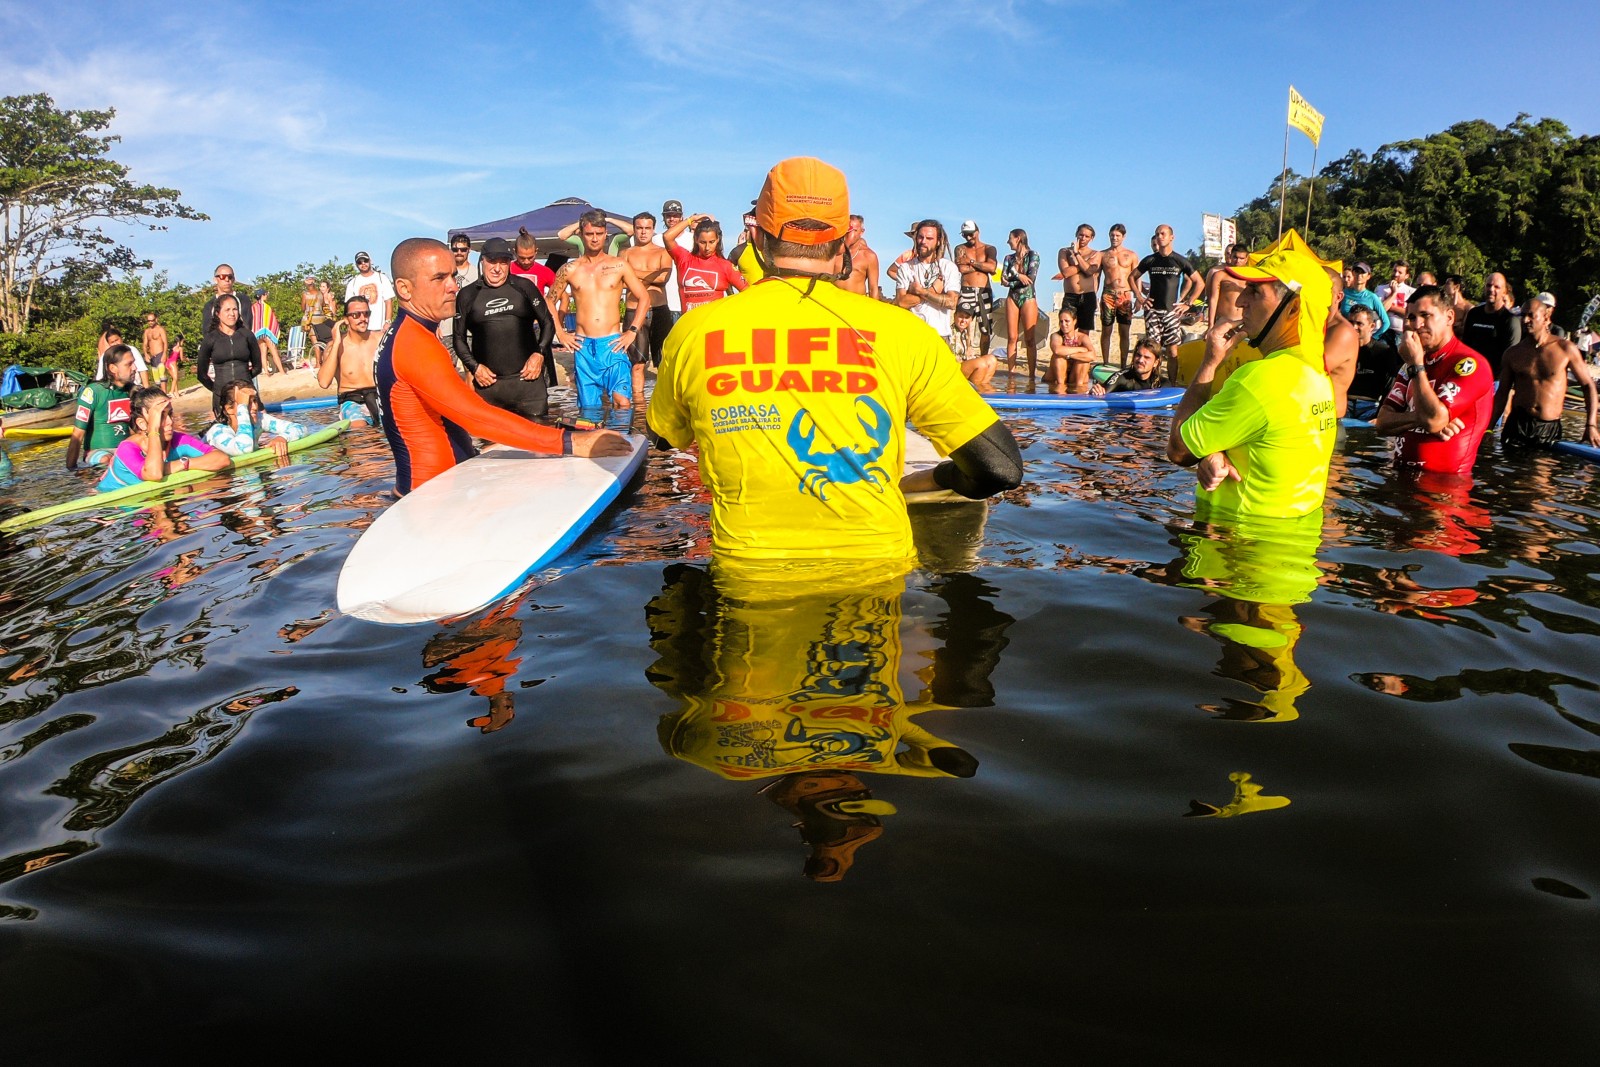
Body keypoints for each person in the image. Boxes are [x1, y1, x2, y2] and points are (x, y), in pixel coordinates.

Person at [647, 156, 1023, 570]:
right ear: (845, 240)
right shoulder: (902, 331)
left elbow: (664, 438)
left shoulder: (694, 330)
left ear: (757, 239)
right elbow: (1000, 468)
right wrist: (930, 479)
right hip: (877, 578)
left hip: (749, 580)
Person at [375, 237, 630, 496]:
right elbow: (474, 417)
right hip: (429, 498)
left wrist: (485, 450)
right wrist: (571, 442)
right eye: (439, 278)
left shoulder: (411, 334)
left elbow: (444, 416)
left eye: (452, 275)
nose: (452, 286)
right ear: (404, 289)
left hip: (442, 484)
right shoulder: (414, 344)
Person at [1166, 243, 1337, 520]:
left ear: (1293, 310)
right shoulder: (1319, 377)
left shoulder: (1260, 379)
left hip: (1234, 547)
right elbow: (1271, 443)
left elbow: (1179, 448)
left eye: (1255, 291)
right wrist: (1215, 448)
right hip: (1293, 547)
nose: (1239, 300)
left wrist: (1210, 362)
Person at [1374, 285, 1495, 475]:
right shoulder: (1412, 365)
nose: (1417, 324)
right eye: (1412, 317)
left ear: (1449, 317)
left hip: (1445, 489)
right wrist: (1418, 418)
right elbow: (1382, 423)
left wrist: (1416, 366)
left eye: (1425, 315)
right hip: (1400, 481)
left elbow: (1433, 420)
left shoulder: (1469, 364)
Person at [547, 211, 652, 414]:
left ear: (606, 234)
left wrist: (631, 331)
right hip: (584, 346)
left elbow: (644, 298)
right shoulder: (570, 269)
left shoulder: (618, 265)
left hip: (612, 343)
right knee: (589, 409)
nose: (595, 238)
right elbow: (549, 301)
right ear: (581, 235)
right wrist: (559, 333)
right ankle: (595, 442)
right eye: (589, 234)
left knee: (623, 403)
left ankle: (623, 443)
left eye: (599, 233)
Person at [451, 237, 556, 419]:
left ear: (509, 263)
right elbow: (458, 338)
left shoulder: (524, 287)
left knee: (538, 444)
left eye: (503, 262)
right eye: (492, 262)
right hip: (489, 388)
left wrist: (539, 353)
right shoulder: (467, 295)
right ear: (482, 261)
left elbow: (548, 322)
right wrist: (474, 368)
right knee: (489, 447)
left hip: (528, 387)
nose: (497, 268)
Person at [1491, 292, 1600, 450]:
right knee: (1509, 473)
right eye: (1523, 315)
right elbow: (1502, 394)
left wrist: (1590, 425)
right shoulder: (1513, 353)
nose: (1525, 320)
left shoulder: (1565, 349)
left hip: (1547, 427)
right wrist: (1489, 428)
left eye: (1531, 316)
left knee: (1539, 473)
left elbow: (1588, 386)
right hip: (1516, 425)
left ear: (1546, 318)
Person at [98, 387, 232, 491]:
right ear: (142, 424)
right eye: (160, 416)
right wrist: (154, 430)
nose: (169, 421)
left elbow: (222, 459)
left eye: (170, 414)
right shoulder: (127, 448)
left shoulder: (178, 440)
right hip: (116, 510)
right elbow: (154, 474)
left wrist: (180, 464)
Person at [1132, 224, 1202, 380]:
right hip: (1152, 311)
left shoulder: (1179, 260)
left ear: (1172, 237)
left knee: (1172, 351)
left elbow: (1199, 282)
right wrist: (1140, 297)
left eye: (1163, 234)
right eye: (1157, 234)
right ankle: (1153, 383)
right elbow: (1132, 277)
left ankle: (1172, 384)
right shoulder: (1150, 260)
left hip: (1171, 311)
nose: (1159, 236)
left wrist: (1187, 303)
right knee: (1153, 351)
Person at [620, 212, 675, 397]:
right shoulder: (625, 253)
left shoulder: (662, 251)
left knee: (664, 362)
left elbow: (662, 277)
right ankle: (638, 409)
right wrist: (647, 273)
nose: (643, 232)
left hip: (660, 310)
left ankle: (665, 404)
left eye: (647, 228)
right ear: (634, 229)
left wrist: (632, 272)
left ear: (654, 229)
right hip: (634, 311)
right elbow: (622, 280)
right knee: (637, 364)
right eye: (639, 228)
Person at [66, 343, 137, 468]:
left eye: (134, 363)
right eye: (129, 364)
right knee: (106, 459)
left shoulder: (133, 392)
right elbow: (77, 435)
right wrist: (71, 470)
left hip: (123, 452)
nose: (135, 368)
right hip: (98, 454)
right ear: (113, 368)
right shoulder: (93, 392)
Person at [894, 219, 962, 346]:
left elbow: (952, 302)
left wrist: (920, 292)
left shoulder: (948, 267)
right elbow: (901, 302)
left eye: (929, 238)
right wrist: (933, 291)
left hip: (939, 335)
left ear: (938, 242)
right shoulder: (906, 267)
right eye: (920, 237)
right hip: (913, 334)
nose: (923, 241)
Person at [661, 212, 746, 313]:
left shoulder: (725, 266)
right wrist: (691, 219)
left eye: (711, 242)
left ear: (717, 240)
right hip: (687, 324)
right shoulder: (684, 259)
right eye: (703, 242)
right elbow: (667, 237)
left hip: (713, 325)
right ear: (696, 239)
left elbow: (747, 293)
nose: (707, 248)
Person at [204, 379, 308, 461]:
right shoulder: (217, 432)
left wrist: (282, 438)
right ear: (229, 409)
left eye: (254, 401)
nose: (254, 407)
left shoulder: (259, 420)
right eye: (247, 403)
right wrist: (242, 407)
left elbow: (301, 428)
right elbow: (244, 449)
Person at [318, 295, 382, 426]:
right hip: (353, 402)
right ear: (346, 320)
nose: (363, 319)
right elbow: (324, 382)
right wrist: (336, 343)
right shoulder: (335, 347)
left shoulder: (380, 339)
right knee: (360, 433)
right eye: (356, 315)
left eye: (366, 313)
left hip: (381, 398)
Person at [195, 293, 264, 416]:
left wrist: (244, 380)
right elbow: (201, 375)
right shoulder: (210, 339)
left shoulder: (247, 335)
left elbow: (257, 367)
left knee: (257, 430)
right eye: (227, 310)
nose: (232, 314)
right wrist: (218, 389)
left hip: (247, 392)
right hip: (222, 397)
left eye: (235, 309)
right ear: (217, 313)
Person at [1461, 271, 1523, 375]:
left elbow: (1510, 359)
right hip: (1470, 373)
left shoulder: (1510, 320)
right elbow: (1465, 346)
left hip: (1494, 379)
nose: (1491, 289)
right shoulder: (1474, 313)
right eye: (1488, 285)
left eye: (1497, 287)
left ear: (1504, 292)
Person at [1001, 229, 1042, 382]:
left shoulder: (1033, 255)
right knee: (1012, 337)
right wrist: (1019, 275)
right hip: (1012, 297)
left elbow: (1030, 278)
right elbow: (1003, 280)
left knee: (1029, 339)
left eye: (1010, 238)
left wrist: (1015, 277)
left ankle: (1032, 374)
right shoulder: (1008, 258)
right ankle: (1011, 373)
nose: (1008, 242)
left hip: (1028, 297)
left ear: (1018, 239)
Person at [1098, 223, 1140, 367]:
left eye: (1117, 235)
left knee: (1124, 331)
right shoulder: (1102, 254)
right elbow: (1096, 276)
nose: (1114, 238)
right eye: (1112, 235)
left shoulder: (1131, 255)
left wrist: (1138, 297)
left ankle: (1123, 364)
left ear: (1123, 237)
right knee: (1106, 329)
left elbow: (1137, 276)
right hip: (1108, 294)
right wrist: (1094, 294)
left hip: (1125, 295)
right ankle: (1105, 363)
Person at [953, 221, 998, 352]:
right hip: (967, 289)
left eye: (970, 234)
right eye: (965, 235)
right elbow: (961, 269)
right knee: (961, 323)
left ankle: (983, 359)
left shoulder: (989, 248)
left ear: (977, 232)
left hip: (984, 290)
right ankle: (961, 355)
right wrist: (982, 267)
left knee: (985, 328)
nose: (968, 238)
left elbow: (992, 267)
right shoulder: (960, 248)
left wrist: (970, 262)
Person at [1347, 304, 1400, 415]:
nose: (1354, 327)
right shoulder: (1342, 349)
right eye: (1351, 322)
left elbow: (1390, 386)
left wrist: (1380, 415)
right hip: (1344, 404)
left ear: (1372, 326)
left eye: (1359, 323)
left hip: (1371, 407)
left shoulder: (1384, 352)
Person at [1055, 223, 1101, 345]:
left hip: (1087, 295)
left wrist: (1076, 255)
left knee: (1084, 331)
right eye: (1081, 235)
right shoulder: (1064, 251)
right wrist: (1084, 264)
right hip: (1071, 295)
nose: (1083, 238)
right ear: (1076, 234)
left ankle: (1080, 355)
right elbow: (1065, 272)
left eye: (1087, 236)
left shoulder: (1096, 254)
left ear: (1092, 238)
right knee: (1066, 328)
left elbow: (1090, 271)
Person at [344, 251, 396, 332]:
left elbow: (388, 302)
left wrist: (387, 322)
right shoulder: (352, 283)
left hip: (380, 328)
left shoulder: (382, 278)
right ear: (356, 265)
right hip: (361, 329)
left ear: (370, 261)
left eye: (365, 261)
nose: (363, 264)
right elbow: (349, 307)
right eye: (359, 262)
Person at [949, 305, 997, 391]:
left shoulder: (965, 334)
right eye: (961, 316)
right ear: (955, 315)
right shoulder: (948, 333)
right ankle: (975, 392)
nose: (963, 320)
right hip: (952, 369)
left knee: (992, 360)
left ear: (971, 319)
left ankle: (983, 388)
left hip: (962, 365)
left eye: (967, 317)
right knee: (981, 364)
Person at [1203, 243, 1251, 327]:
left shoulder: (1251, 277)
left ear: (1246, 259)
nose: (1238, 261)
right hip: (1223, 321)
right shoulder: (1219, 275)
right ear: (1231, 256)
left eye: (1241, 258)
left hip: (1243, 323)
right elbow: (1213, 300)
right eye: (1235, 257)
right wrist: (1210, 325)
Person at [1096, 338, 1168, 394]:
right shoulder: (1122, 377)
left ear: (1155, 362)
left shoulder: (1163, 384)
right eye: (1138, 355)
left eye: (1146, 357)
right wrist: (1096, 391)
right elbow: (1100, 395)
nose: (1140, 360)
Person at [1339, 261, 1390, 339]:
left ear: (1368, 276)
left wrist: (1374, 338)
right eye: (1357, 271)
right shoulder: (1344, 293)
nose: (1359, 275)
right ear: (1353, 273)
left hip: (1362, 342)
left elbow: (1386, 322)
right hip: (1344, 337)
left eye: (1363, 272)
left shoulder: (1372, 297)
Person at [1048, 312, 1095, 394]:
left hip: (1076, 376)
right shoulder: (1056, 336)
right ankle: (1060, 388)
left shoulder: (1082, 337)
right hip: (1058, 377)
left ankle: (1078, 390)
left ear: (1074, 321)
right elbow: (1057, 350)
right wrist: (1080, 349)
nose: (1063, 324)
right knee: (1058, 357)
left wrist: (1070, 355)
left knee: (1084, 360)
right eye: (1061, 321)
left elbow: (1092, 356)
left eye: (1067, 321)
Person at [1376, 261, 1415, 350]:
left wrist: (1391, 308)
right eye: (1394, 271)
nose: (1396, 274)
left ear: (1407, 276)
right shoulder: (1381, 288)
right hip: (1383, 331)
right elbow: (1380, 310)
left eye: (1400, 272)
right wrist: (1394, 293)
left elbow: (1409, 314)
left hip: (1401, 332)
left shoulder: (1411, 292)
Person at [840, 214, 880, 299]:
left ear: (861, 232)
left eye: (854, 230)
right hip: (832, 304)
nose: (850, 234)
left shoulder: (869, 256)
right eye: (848, 230)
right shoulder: (834, 252)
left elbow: (873, 289)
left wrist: (875, 310)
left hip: (856, 304)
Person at [251, 289, 286, 374]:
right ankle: (282, 371)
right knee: (274, 351)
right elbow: (271, 320)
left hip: (257, 333)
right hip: (266, 333)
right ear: (262, 295)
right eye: (266, 294)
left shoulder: (253, 307)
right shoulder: (266, 307)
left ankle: (267, 373)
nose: (267, 296)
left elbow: (252, 320)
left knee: (263, 353)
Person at [301, 275, 337, 357]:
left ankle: (318, 362)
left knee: (315, 341)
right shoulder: (320, 294)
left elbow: (303, 308)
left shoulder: (305, 294)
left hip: (312, 319)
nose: (321, 288)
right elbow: (324, 306)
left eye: (323, 286)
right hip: (322, 320)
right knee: (322, 341)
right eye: (321, 286)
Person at [141, 312, 169, 387]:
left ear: (156, 320)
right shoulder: (147, 331)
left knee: (162, 375)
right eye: (148, 321)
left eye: (152, 320)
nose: (150, 322)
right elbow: (144, 344)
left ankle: (165, 394)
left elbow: (165, 342)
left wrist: (164, 354)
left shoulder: (160, 329)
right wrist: (146, 354)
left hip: (160, 354)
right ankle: (162, 395)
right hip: (152, 357)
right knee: (156, 379)